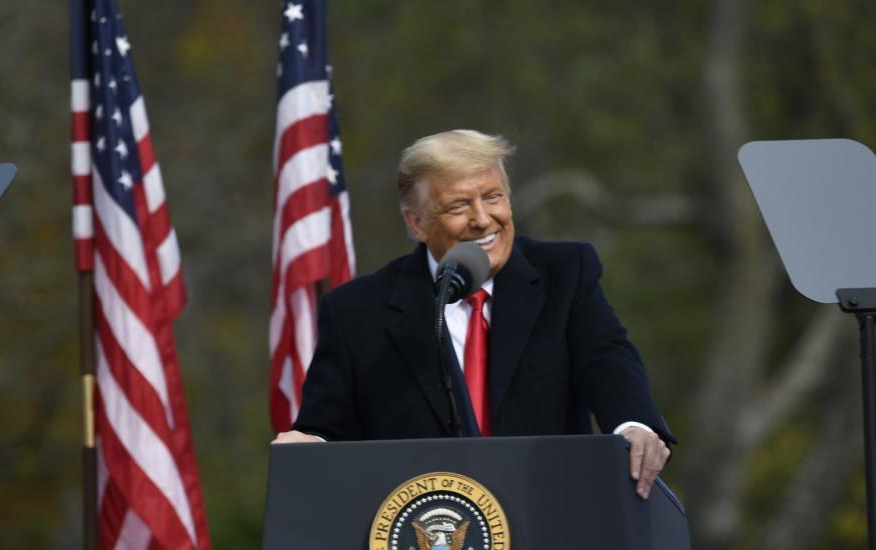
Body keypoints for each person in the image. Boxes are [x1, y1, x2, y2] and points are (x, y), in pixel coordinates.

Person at [273, 129, 674, 499]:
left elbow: (607, 359)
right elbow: (326, 429)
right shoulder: (357, 312)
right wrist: (311, 447)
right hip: (422, 543)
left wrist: (633, 426)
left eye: (493, 197)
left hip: (550, 514)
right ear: (416, 223)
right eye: (459, 205)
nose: (483, 219)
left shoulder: (565, 275)